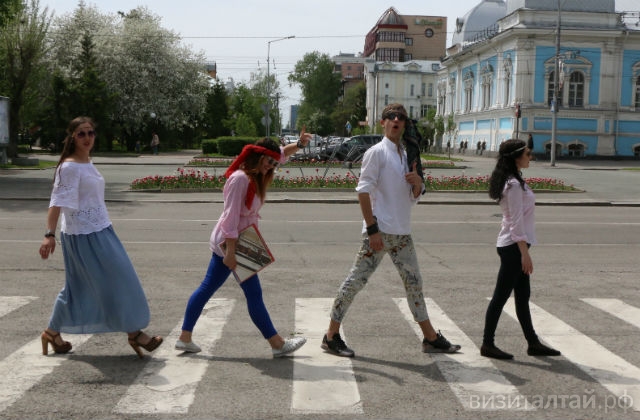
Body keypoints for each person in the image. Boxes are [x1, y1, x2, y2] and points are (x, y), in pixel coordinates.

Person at [322, 103, 461, 357]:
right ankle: (331, 336)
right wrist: (372, 229)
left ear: (405, 125)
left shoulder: (406, 155)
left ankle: (430, 338)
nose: (396, 119)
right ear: (383, 122)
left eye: (401, 117)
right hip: (380, 231)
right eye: (391, 116)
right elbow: (363, 192)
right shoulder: (376, 153)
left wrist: (417, 184)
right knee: (356, 281)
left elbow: (412, 197)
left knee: (414, 283)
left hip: (401, 233)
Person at [176, 130, 312, 357]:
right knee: (252, 293)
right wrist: (230, 252)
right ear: (258, 157)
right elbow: (230, 218)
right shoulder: (240, 179)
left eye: (274, 164)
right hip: (233, 243)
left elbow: (281, 153)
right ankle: (277, 344)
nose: (272, 167)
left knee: (207, 288)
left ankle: (184, 337)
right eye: (269, 162)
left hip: (241, 240)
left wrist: (299, 144)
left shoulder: (255, 174)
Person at [38, 116, 163, 358]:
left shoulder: (87, 162)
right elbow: (56, 203)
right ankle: (135, 333)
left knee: (91, 284)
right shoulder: (69, 167)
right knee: (112, 281)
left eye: (91, 133)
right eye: (81, 134)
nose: (87, 138)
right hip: (81, 235)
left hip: (102, 229)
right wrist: (49, 234)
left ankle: (52, 332)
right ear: (72, 137)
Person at [480, 139, 561, 359]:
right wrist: (524, 253)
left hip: (514, 246)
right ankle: (487, 344)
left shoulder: (514, 180)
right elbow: (516, 222)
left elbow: (511, 219)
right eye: (527, 154)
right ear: (516, 157)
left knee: (523, 296)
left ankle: (533, 343)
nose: (530, 157)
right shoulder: (513, 185)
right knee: (500, 297)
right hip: (513, 248)